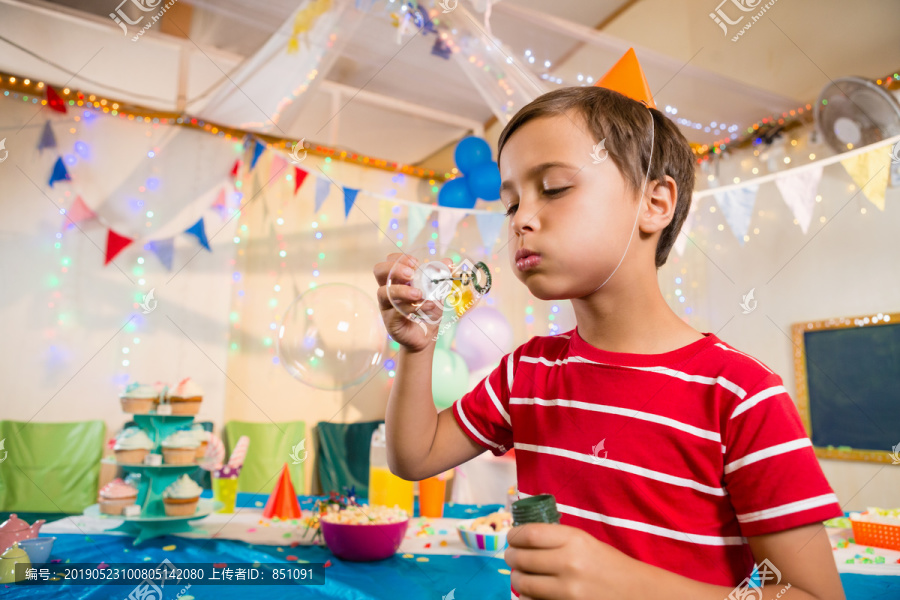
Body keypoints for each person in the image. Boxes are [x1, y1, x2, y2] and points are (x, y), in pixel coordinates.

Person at [373, 82, 845, 599]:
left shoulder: (739, 395)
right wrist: (417, 349)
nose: (523, 220)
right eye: (511, 205)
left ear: (654, 203)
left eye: (553, 187)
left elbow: (813, 595)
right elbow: (413, 458)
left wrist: (625, 583)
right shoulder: (526, 373)